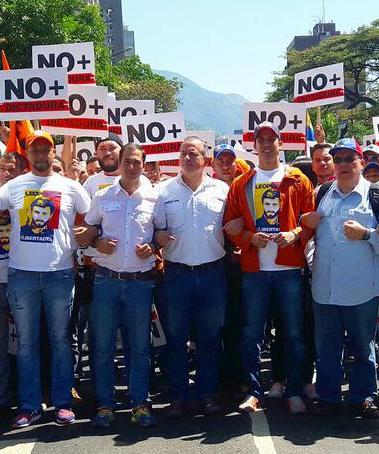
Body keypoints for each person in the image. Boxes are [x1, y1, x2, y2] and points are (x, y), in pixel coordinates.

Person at [0, 130, 91, 428]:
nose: (40, 155)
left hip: (60, 276)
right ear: (26, 154)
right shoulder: (12, 187)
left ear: (54, 153)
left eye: (46, 150)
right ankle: (29, 405)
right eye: (34, 150)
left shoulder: (71, 187)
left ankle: (62, 402)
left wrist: (86, 239)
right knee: (26, 344)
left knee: (61, 341)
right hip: (22, 276)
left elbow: (92, 221)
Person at [224, 121, 315, 414]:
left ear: (280, 143)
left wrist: (296, 234)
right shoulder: (242, 183)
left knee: (293, 333)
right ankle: (254, 391)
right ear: (254, 145)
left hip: (288, 269)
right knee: (252, 334)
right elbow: (230, 224)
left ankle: (294, 389)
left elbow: (309, 220)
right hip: (254, 270)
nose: (265, 144)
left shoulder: (299, 179)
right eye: (260, 139)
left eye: (271, 139)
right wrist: (249, 237)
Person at [82, 143, 165, 428]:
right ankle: (105, 404)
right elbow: (89, 230)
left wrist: (153, 247)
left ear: (144, 164)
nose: (131, 167)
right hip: (106, 281)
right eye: (127, 162)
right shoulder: (103, 196)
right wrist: (96, 242)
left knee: (139, 347)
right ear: (119, 163)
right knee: (103, 346)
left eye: (137, 162)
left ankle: (139, 403)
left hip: (140, 285)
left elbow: (163, 234)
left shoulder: (156, 198)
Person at [302, 138, 379, 418]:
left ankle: (364, 395)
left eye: (350, 159)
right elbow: (308, 234)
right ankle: (329, 396)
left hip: (362, 290)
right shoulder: (322, 193)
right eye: (339, 159)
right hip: (325, 289)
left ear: (361, 162)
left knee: (362, 347)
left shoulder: (375, 195)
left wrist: (367, 234)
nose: (344, 164)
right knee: (327, 348)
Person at [156, 136, 229, 417]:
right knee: (176, 340)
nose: (188, 158)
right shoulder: (163, 191)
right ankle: (179, 396)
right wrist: (156, 237)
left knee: (210, 339)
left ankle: (208, 394)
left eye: (194, 154)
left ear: (205, 159)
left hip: (213, 274)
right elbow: (153, 230)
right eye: (184, 153)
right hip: (176, 276)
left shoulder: (222, 190)